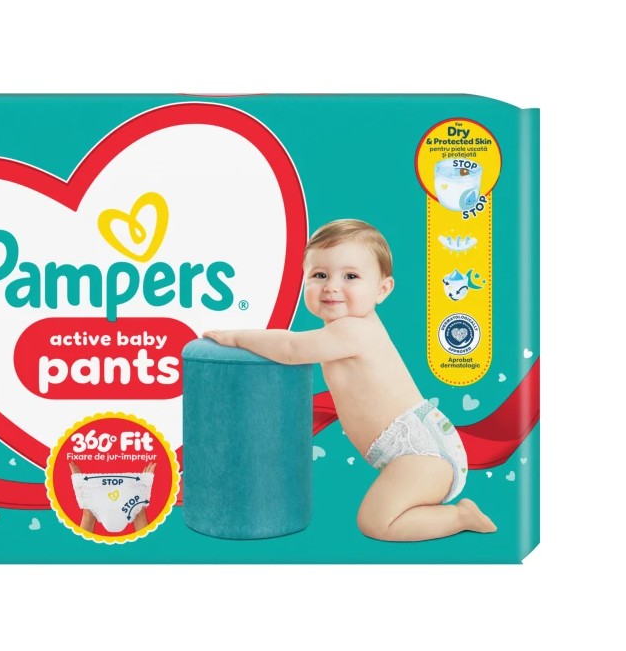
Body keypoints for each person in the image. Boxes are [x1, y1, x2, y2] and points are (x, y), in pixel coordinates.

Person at [203, 219, 495, 541]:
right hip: (412, 451)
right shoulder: (339, 332)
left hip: (421, 450)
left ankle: (459, 516)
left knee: (376, 523)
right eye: (319, 275)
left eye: (350, 276)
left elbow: (290, 349)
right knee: (384, 513)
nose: (331, 286)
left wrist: (237, 337)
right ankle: (433, 511)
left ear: (382, 289)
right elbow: (293, 343)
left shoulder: (354, 330)